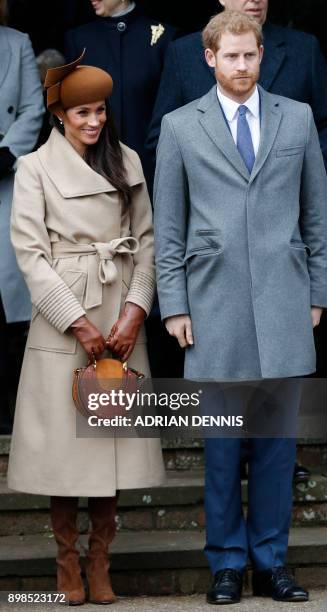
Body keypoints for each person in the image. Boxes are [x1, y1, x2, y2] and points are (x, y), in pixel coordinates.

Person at [154, 10, 327, 604]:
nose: (243, 66)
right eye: (231, 56)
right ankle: (227, 562)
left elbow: (317, 216)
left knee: (277, 448)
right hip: (211, 305)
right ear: (209, 58)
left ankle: (272, 563)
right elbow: (168, 228)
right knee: (223, 450)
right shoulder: (179, 127)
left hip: (284, 302)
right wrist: (173, 304)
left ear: (261, 53)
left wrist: (317, 293)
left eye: (250, 55)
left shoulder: (297, 117)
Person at [7, 52, 165, 605]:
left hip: (119, 313)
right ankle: (66, 566)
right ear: (59, 116)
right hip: (65, 321)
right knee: (65, 455)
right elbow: (30, 253)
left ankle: (101, 563)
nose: (94, 121)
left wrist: (136, 311)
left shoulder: (126, 161)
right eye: (82, 114)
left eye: (100, 111)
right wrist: (76, 320)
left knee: (110, 448)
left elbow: (147, 242)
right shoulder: (34, 169)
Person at [65, 0, 183, 380]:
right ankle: (106, 387)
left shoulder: (164, 35)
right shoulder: (76, 39)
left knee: (157, 268)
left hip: (154, 176)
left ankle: (163, 388)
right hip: (93, 180)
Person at [0, 0, 44, 434]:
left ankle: (13, 415)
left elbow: (34, 105)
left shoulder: (17, 43)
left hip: (6, 178)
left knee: (12, 296)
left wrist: (8, 150)